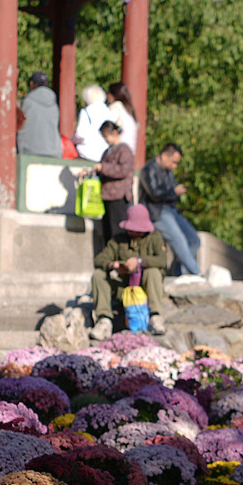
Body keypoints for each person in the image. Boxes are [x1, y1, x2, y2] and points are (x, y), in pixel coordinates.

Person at [90, 204, 171, 337]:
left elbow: (162, 261)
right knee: (99, 275)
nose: (136, 232)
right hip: (123, 288)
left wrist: (139, 262)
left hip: (144, 287)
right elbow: (98, 260)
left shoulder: (154, 238)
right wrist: (114, 265)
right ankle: (104, 320)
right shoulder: (118, 240)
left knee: (153, 272)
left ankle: (155, 316)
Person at [139, 142, 202, 277]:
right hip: (157, 212)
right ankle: (197, 273)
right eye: (174, 162)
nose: (175, 166)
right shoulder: (149, 169)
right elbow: (154, 194)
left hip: (171, 210)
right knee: (179, 240)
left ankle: (177, 273)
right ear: (165, 155)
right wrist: (173, 192)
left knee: (194, 240)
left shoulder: (169, 172)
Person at [80, 118, 140, 232]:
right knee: (107, 231)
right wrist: (88, 173)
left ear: (114, 133)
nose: (106, 139)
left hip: (119, 196)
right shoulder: (107, 152)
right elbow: (101, 169)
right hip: (107, 195)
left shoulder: (124, 150)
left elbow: (123, 170)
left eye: (106, 136)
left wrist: (103, 168)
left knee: (117, 232)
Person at [17, 71, 59, 157]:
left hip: (29, 152)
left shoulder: (25, 102)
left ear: (31, 83)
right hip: (54, 151)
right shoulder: (55, 105)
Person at [74, 84, 112, 161]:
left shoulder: (86, 111)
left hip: (87, 153)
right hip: (105, 154)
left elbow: (80, 134)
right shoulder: (109, 112)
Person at [105, 81, 139, 155]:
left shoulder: (115, 109)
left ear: (113, 95)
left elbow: (105, 129)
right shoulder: (129, 112)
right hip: (130, 153)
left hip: (119, 153)